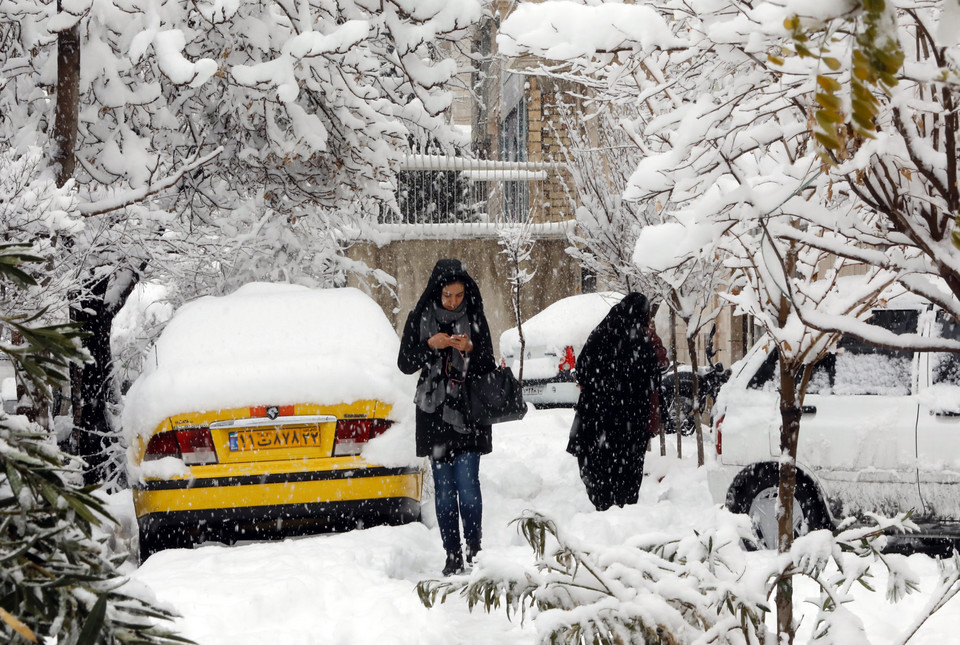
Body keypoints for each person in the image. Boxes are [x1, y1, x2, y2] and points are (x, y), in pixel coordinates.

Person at [398, 259, 496, 576]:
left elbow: (488, 366)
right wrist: (431, 345)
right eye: (447, 296)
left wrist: (470, 348)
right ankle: (452, 554)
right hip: (434, 413)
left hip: (469, 411)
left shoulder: (475, 317)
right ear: (436, 292)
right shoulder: (420, 318)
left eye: (458, 295)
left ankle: (475, 551)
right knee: (443, 489)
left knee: (467, 485)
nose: (453, 302)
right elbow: (405, 363)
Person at [566, 293, 660, 511]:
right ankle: (623, 509)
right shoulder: (642, 340)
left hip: (598, 418)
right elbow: (653, 378)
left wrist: (601, 388)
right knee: (627, 469)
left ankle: (604, 504)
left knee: (599, 466)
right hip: (631, 421)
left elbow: (582, 370)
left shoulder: (602, 332)